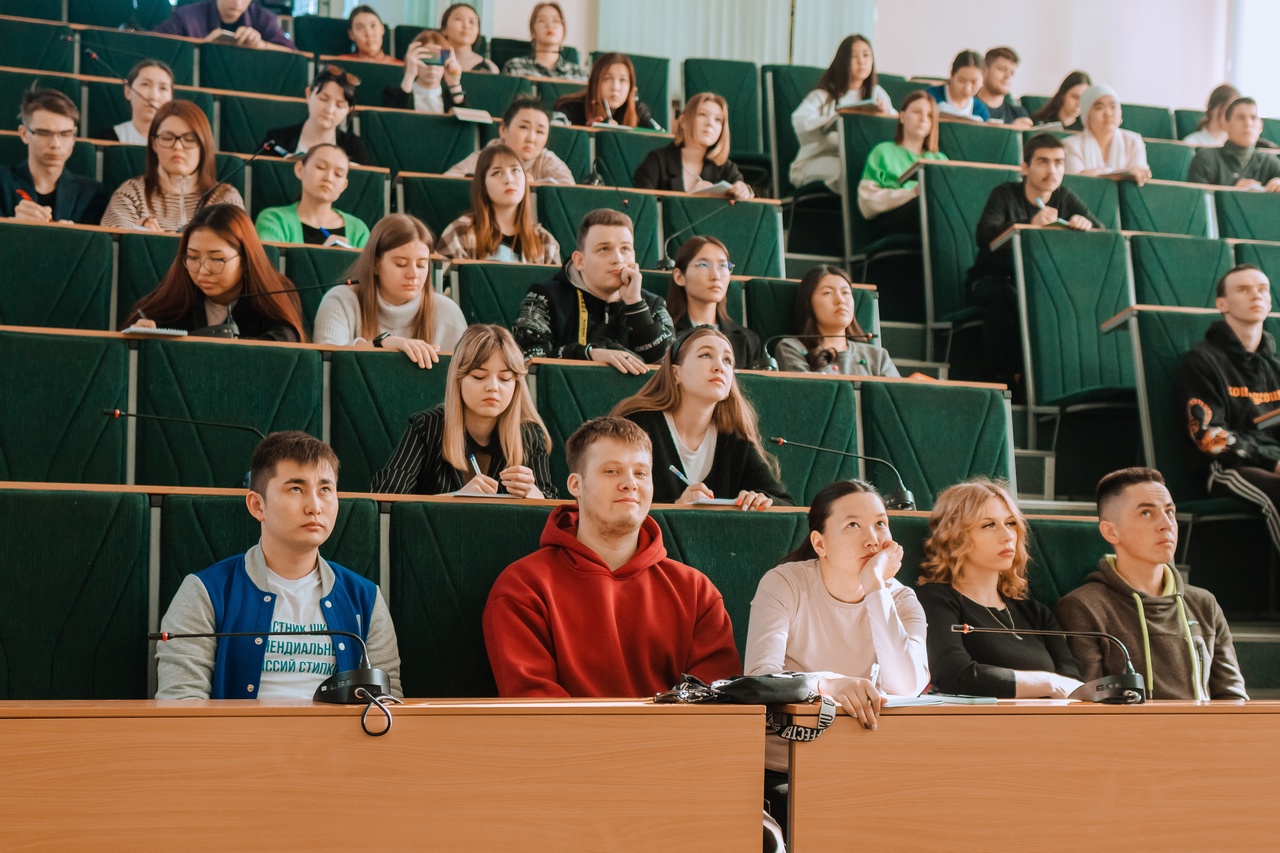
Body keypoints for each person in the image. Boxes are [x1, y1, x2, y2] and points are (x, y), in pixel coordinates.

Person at [482, 416, 741, 697]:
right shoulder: (522, 587)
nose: (630, 483)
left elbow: (715, 704)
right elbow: (536, 706)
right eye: (611, 471)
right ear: (576, 485)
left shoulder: (697, 591)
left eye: (641, 473)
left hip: (677, 730)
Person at [156, 431, 401, 700]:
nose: (314, 507)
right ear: (257, 505)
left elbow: (388, 702)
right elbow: (181, 703)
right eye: (296, 488)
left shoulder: (365, 598)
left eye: (325, 489)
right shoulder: (204, 592)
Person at [746, 479, 929, 834]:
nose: (872, 539)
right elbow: (760, 678)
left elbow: (908, 684)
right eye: (853, 525)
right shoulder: (784, 584)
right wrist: (826, 683)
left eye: (880, 523)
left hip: (868, 762)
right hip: (785, 767)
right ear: (820, 543)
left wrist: (875, 586)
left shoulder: (901, 599)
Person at [1056, 468, 1248, 700]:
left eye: (1170, 512)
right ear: (1111, 532)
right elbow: (1088, 705)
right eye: (1146, 513)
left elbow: (1233, 698)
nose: (1166, 524)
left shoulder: (1204, 603)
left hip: (1205, 724)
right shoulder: (1083, 607)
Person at [916, 479, 1082, 698]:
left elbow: (1073, 683)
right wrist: (1048, 683)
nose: (1008, 536)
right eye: (989, 525)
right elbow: (954, 675)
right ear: (955, 536)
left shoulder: (1035, 612)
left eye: (1010, 523)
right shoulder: (933, 599)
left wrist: (1054, 685)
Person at [966, 133, 1100, 389]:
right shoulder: (1005, 194)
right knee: (1008, 295)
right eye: (1043, 162)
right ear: (1025, 167)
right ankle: (999, 381)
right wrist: (1029, 223)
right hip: (992, 280)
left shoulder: (1065, 197)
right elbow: (984, 235)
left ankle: (1054, 383)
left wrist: (1086, 225)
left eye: (1059, 162)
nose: (1053, 170)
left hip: (1042, 284)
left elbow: (1102, 236)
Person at [611, 326, 793, 508]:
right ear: (676, 373)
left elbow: (786, 505)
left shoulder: (735, 440)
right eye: (705, 355)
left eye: (728, 360)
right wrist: (676, 506)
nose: (719, 367)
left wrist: (762, 501)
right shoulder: (638, 425)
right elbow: (613, 500)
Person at [371, 324, 557, 497]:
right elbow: (387, 495)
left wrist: (533, 493)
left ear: (516, 385)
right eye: (479, 376)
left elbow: (550, 502)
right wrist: (455, 498)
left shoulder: (530, 435)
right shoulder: (426, 427)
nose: (493, 387)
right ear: (458, 380)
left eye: (505, 378)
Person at [1178, 264, 1280, 552]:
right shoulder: (1201, 361)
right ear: (1222, 304)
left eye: (1262, 289)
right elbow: (1210, 438)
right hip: (1228, 467)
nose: (1256, 295)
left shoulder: (1275, 365)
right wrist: (1272, 462)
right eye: (1243, 289)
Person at [513, 208, 674, 371]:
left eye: (625, 249)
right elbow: (528, 360)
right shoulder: (543, 297)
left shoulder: (653, 305)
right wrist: (588, 354)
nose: (618, 259)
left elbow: (669, 366)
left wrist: (636, 306)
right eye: (604, 249)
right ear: (579, 261)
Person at [123, 203, 305, 341]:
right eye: (193, 257)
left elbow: (284, 343)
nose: (202, 270)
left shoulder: (277, 293)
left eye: (217, 259)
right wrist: (143, 332)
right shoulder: (177, 292)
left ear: (246, 259)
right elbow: (139, 325)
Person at [312, 213, 465, 362]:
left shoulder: (448, 313)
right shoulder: (340, 301)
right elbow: (327, 367)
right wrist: (381, 344)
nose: (413, 274)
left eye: (421, 265)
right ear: (375, 264)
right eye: (401, 264)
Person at [101, 100, 244, 233]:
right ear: (154, 144)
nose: (178, 146)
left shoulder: (226, 198)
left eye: (189, 139)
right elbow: (113, 246)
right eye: (167, 138)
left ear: (204, 145)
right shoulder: (130, 195)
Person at [791, 34, 896, 193]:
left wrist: (883, 116)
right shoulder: (824, 95)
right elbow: (800, 121)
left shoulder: (877, 94)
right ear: (843, 61)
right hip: (819, 159)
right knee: (852, 172)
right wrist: (837, 119)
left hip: (860, 159)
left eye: (866, 55)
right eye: (854, 56)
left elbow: (896, 124)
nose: (862, 61)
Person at [436, 143, 561, 263]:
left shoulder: (546, 242)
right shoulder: (459, 234)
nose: (509, 180)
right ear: (483, 185)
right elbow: (441, 277)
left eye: (516, 170)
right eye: (497, 173)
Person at [0, 89, 107, 225]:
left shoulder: (92, 193)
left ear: (74, 136)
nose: (56, 144)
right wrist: (12, 225)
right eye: (44, 133)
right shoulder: (2, 181)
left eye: (65, 134)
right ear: (24, 134)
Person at [775, 265, 898, 376]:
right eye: (827, 293)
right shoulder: (792, 348)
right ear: (808, 303)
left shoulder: (877, 356)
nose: (840, 300)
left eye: (845, 292)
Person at [857, 89, 948, 237]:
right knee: (926, 203)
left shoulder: (940, 159)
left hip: (932, 220)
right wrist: (911, 194)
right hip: (891, 220)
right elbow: (867, 203)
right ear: (903, 116)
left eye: (930, 115)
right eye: (917, 112)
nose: (923, 119)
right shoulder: (882, 151)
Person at [666, 235, 765, 369]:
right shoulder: (664, 334)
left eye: (723, 266)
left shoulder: (749, 340)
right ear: (679, 276)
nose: (716, 276)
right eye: (703, 265)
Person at [632, 92, 753, 199]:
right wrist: (689, 198)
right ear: (684, 121)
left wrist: (746, 191)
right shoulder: (656, 162)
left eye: (718, 120)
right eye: (702, 114)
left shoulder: (726, 168)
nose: (710, 123)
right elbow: (642, 209)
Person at [254, 143, 370, 249]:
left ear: (344, 185)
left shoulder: (358, 230)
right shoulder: (273, 220)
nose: (329, 178)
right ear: (300, 169)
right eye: (320, 167)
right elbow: (268, 264)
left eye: (338, 174)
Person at [445, 97, 574, 185]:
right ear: (503, 130)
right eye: (524, 127)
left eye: (540, 132)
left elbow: (570, 194)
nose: (531, 139)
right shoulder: (486, 157)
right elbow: (448, 182)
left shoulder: (547, 160)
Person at [265, 65, 368, 164]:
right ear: (309, 94)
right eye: (323, 99)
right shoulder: (276, 141)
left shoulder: (353, 148)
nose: (330, 110)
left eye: (339, 105)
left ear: (348, 110)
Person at [1062, 85, 1151, 184]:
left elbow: (1139, 176)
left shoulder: (1134, 141)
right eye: (1099, 108)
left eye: (1113, 107)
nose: (1108, 113)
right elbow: (1078, 182)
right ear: (1087, 117)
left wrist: (1094, 174)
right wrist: (1121, 175)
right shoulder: (1071, 145)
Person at [1187, 97, 1280, 190]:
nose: (1248, 123)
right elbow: (1195, 198)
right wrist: (1232, 191)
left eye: (1253, 118)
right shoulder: (1206, 158)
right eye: (1240, 118)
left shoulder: (1269, 162)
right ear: (1226, 125)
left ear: (1261, 126)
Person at [554, 53, 662, 130]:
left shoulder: (638, 111)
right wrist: (586, 132)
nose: (615, 87)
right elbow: (554, 131)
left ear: (631, 88)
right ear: (595, 83)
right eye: (607, 78)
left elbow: (661, 138)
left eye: (622, 80)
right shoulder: (572, 108)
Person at [152, 0, 297, 51]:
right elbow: (152, 44)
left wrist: (262, 45)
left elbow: (295, 57)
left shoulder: (264, 19)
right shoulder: (187, 16)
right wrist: (201, 47)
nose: (237, 2)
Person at [383, 29, 467, 114]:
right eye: (426, 58)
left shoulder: (453, 99)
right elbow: (395, 117)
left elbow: (466, 119)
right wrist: (409, 74)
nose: (432, 67)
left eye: (438, 59)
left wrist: (454, 84)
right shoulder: (392, 94)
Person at [93, 59, 174, 145]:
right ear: (128, 91)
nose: (154, 96)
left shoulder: (180, 141)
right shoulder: (106, 139)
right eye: (145, 84)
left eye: (163, 88)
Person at [501, 2, 588, 81]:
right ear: (532, 30)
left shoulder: (579, 74)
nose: (550, 25)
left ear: (563, 31)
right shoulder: (514, 67)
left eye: (556, 21)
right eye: (542, 20)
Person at [924, 50, 990, 122]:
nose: (967, 88)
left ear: (983, 81)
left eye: (974, 82)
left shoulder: (981, 110)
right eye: (961, 81)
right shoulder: (931, 96)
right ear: (952, 75)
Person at [977, 47, 1032, 128]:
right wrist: (1011, 129)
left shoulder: (1019, 114)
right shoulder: (966, 107)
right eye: (1002, 69)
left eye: (1012, 73)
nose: (1008, 76)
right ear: (985, 70)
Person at [439, 3, 498, 73]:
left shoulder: (489, 68)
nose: (466, 26)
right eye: (458, 19)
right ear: (444, 29)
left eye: (472, 22)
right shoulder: (433, 61)